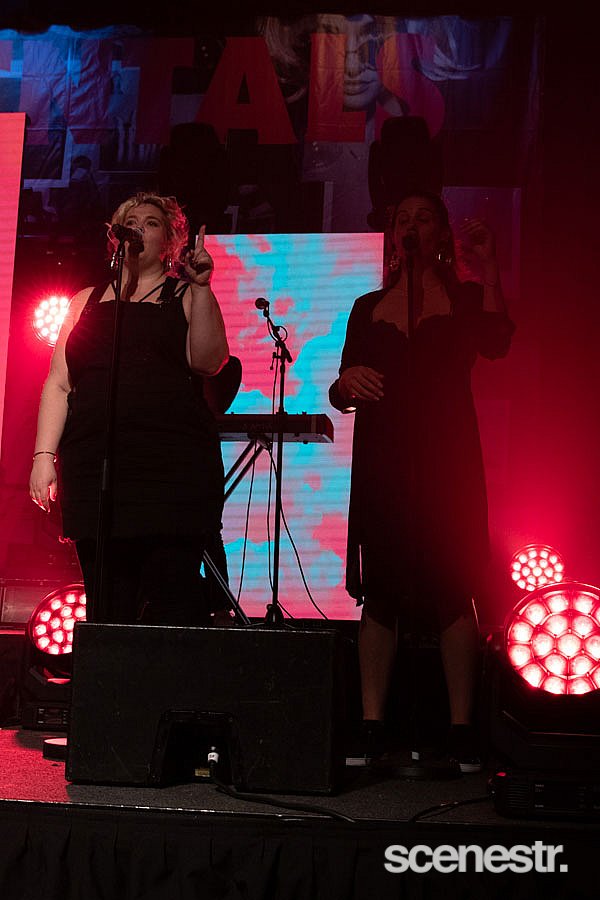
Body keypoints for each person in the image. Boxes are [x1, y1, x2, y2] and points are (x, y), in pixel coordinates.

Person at [328, 190, 515, 771]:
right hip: (384, 460)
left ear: (440, 233)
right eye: (402, 218)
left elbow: (497, 341)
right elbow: (340, 387)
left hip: (446, 460)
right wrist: (347, 382)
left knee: (452, 588)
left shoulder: (463, 298)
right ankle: (371, 724)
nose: (411, 226)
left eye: (423, 218)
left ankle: (461, 728)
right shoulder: (367, 306)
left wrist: (489, 270)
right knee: (381, 592)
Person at [28, 191, 232, 627]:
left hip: (170, 472)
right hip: (96, 470)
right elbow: (59, 382)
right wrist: (43, 456)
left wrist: (202, 287)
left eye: (152, 223)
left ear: (170, 242)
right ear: (116, 236)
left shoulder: (183, 293)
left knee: (169, 600)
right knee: (107, 607)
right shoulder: (85, 301)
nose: (139, 227)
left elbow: (209, 361)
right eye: (131, 221)